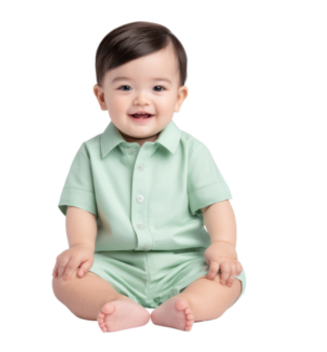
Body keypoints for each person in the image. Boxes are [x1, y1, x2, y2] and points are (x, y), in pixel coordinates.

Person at [51, 21, 247, 333]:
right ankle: (114, 303)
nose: (141, 99)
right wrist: (81, 247)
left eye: (157, 88)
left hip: (184, 264)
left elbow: (216, 204)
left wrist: (223, 245)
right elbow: (80, 209)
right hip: (112, 265)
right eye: (125, 87)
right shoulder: (88, 152)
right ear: (100, 97)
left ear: (180, 97)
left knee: (227, 279)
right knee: (65, 279)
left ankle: (187, 305)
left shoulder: (194, 151)